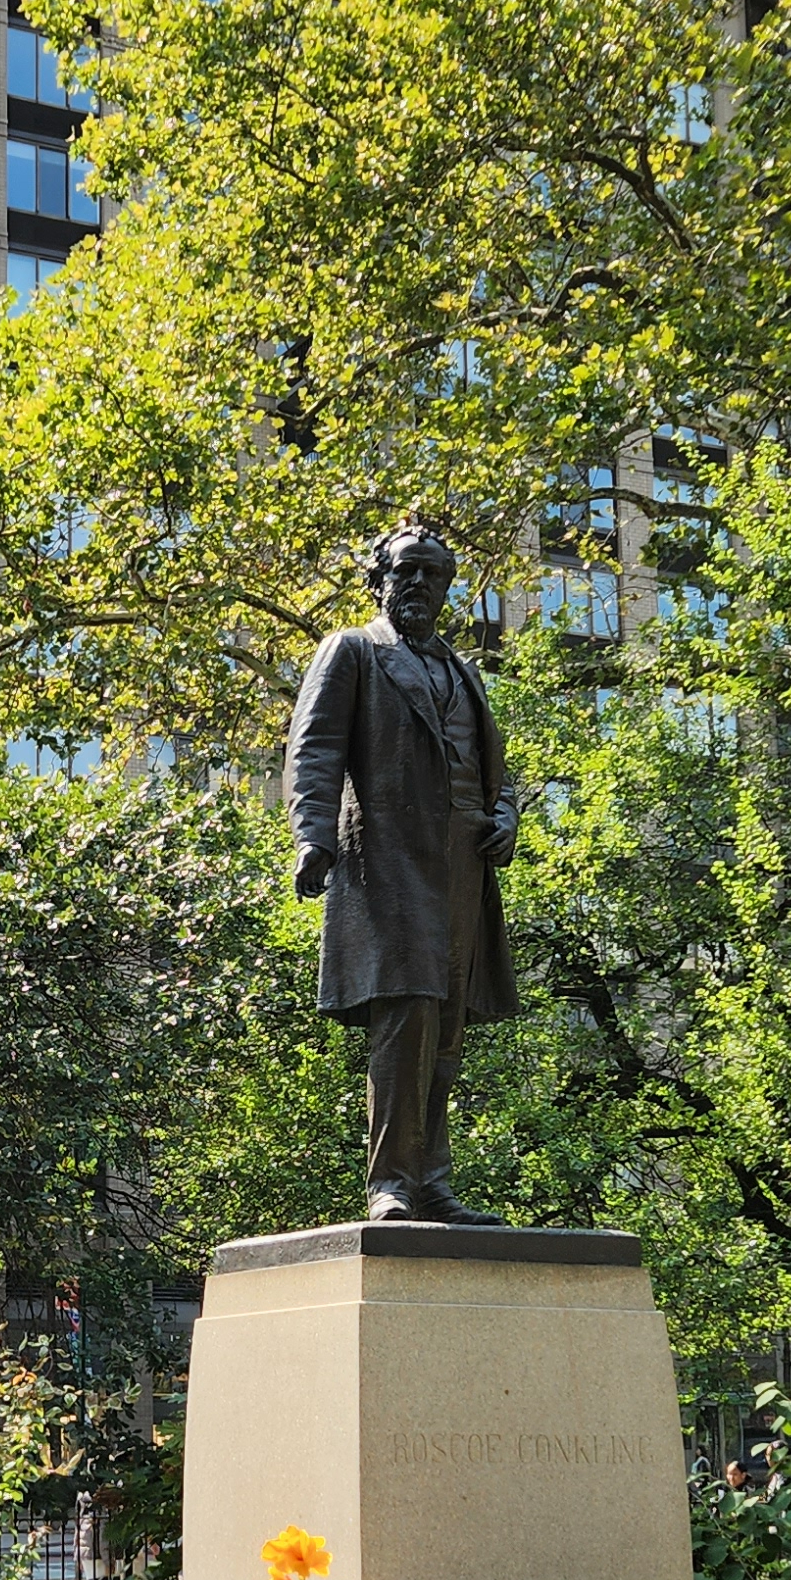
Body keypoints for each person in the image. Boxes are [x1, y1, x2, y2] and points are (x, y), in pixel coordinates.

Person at [284, 521, 524, 1221]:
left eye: (432, 573)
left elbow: (494, 769)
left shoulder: (463, 670)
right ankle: (390, 1182)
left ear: (448, 588)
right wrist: (313, 838)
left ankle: (433, 1185)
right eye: (405, 571)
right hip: (389, 861)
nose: (418, 583)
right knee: (407, 1018)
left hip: (462, 868)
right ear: (378, 581)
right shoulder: (353, 650)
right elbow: (314, 748)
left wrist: (505, 816)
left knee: (446, 1027)